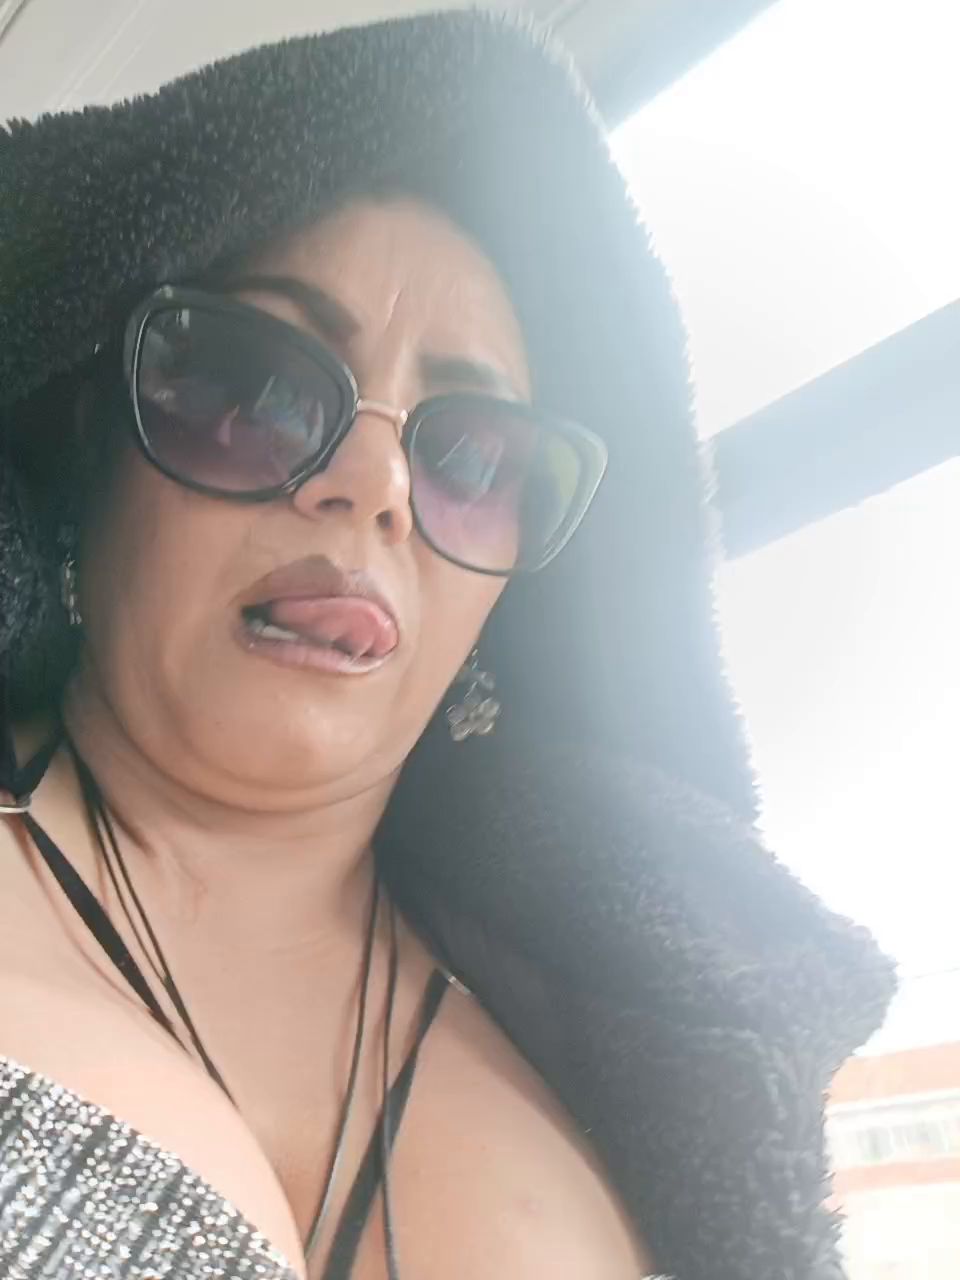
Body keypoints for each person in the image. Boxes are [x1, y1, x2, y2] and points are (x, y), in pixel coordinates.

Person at [0, 12, 894, 1280]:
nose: (375, 485)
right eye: (255, 388)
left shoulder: (596, 1087)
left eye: (471, 457)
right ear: (90, 446)